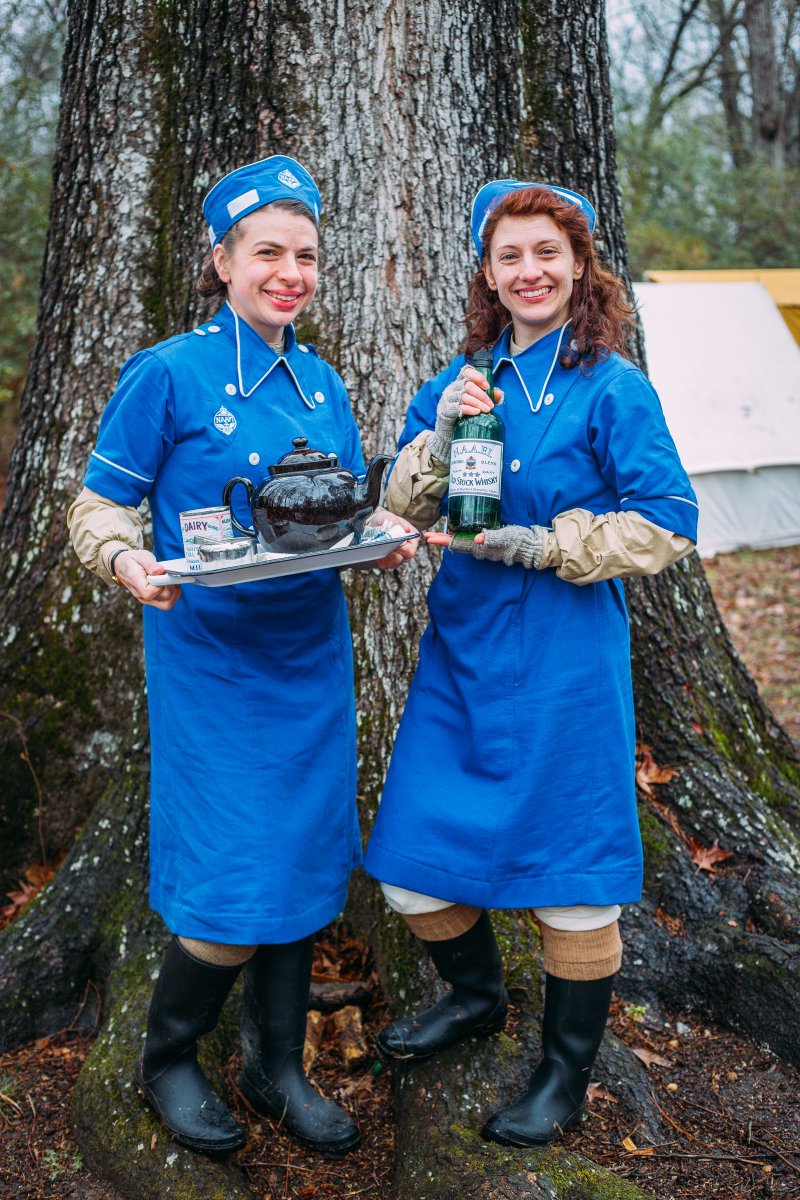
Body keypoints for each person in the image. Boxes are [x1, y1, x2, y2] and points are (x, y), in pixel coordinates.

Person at [67, 155, 416, 1157]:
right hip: (211, 665)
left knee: (307, 863)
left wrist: (381, 529)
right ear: (221, 260)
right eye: (268, 252)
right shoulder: (168, 372)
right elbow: (98, 504)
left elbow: (335, 512)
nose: (289, 272)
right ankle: (168, 1057)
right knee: (227, 880)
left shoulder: (320, 381)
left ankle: (276, 1066)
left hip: (308, 659)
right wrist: (125, 558)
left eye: (305, 255)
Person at [363, 180, 698, 1148]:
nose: (529, 272)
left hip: (563, 658)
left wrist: (553, 545)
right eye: (508, 256)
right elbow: (403, 502)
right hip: (462, 653)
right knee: (411, 874)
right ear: (486, 273)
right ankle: (475, 998)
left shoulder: (610, 385)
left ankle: (561, 1073)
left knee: (572, 882)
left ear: (578, 264)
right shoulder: (464, 376)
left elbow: (668, 522)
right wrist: (439, 431)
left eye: (545, 253)